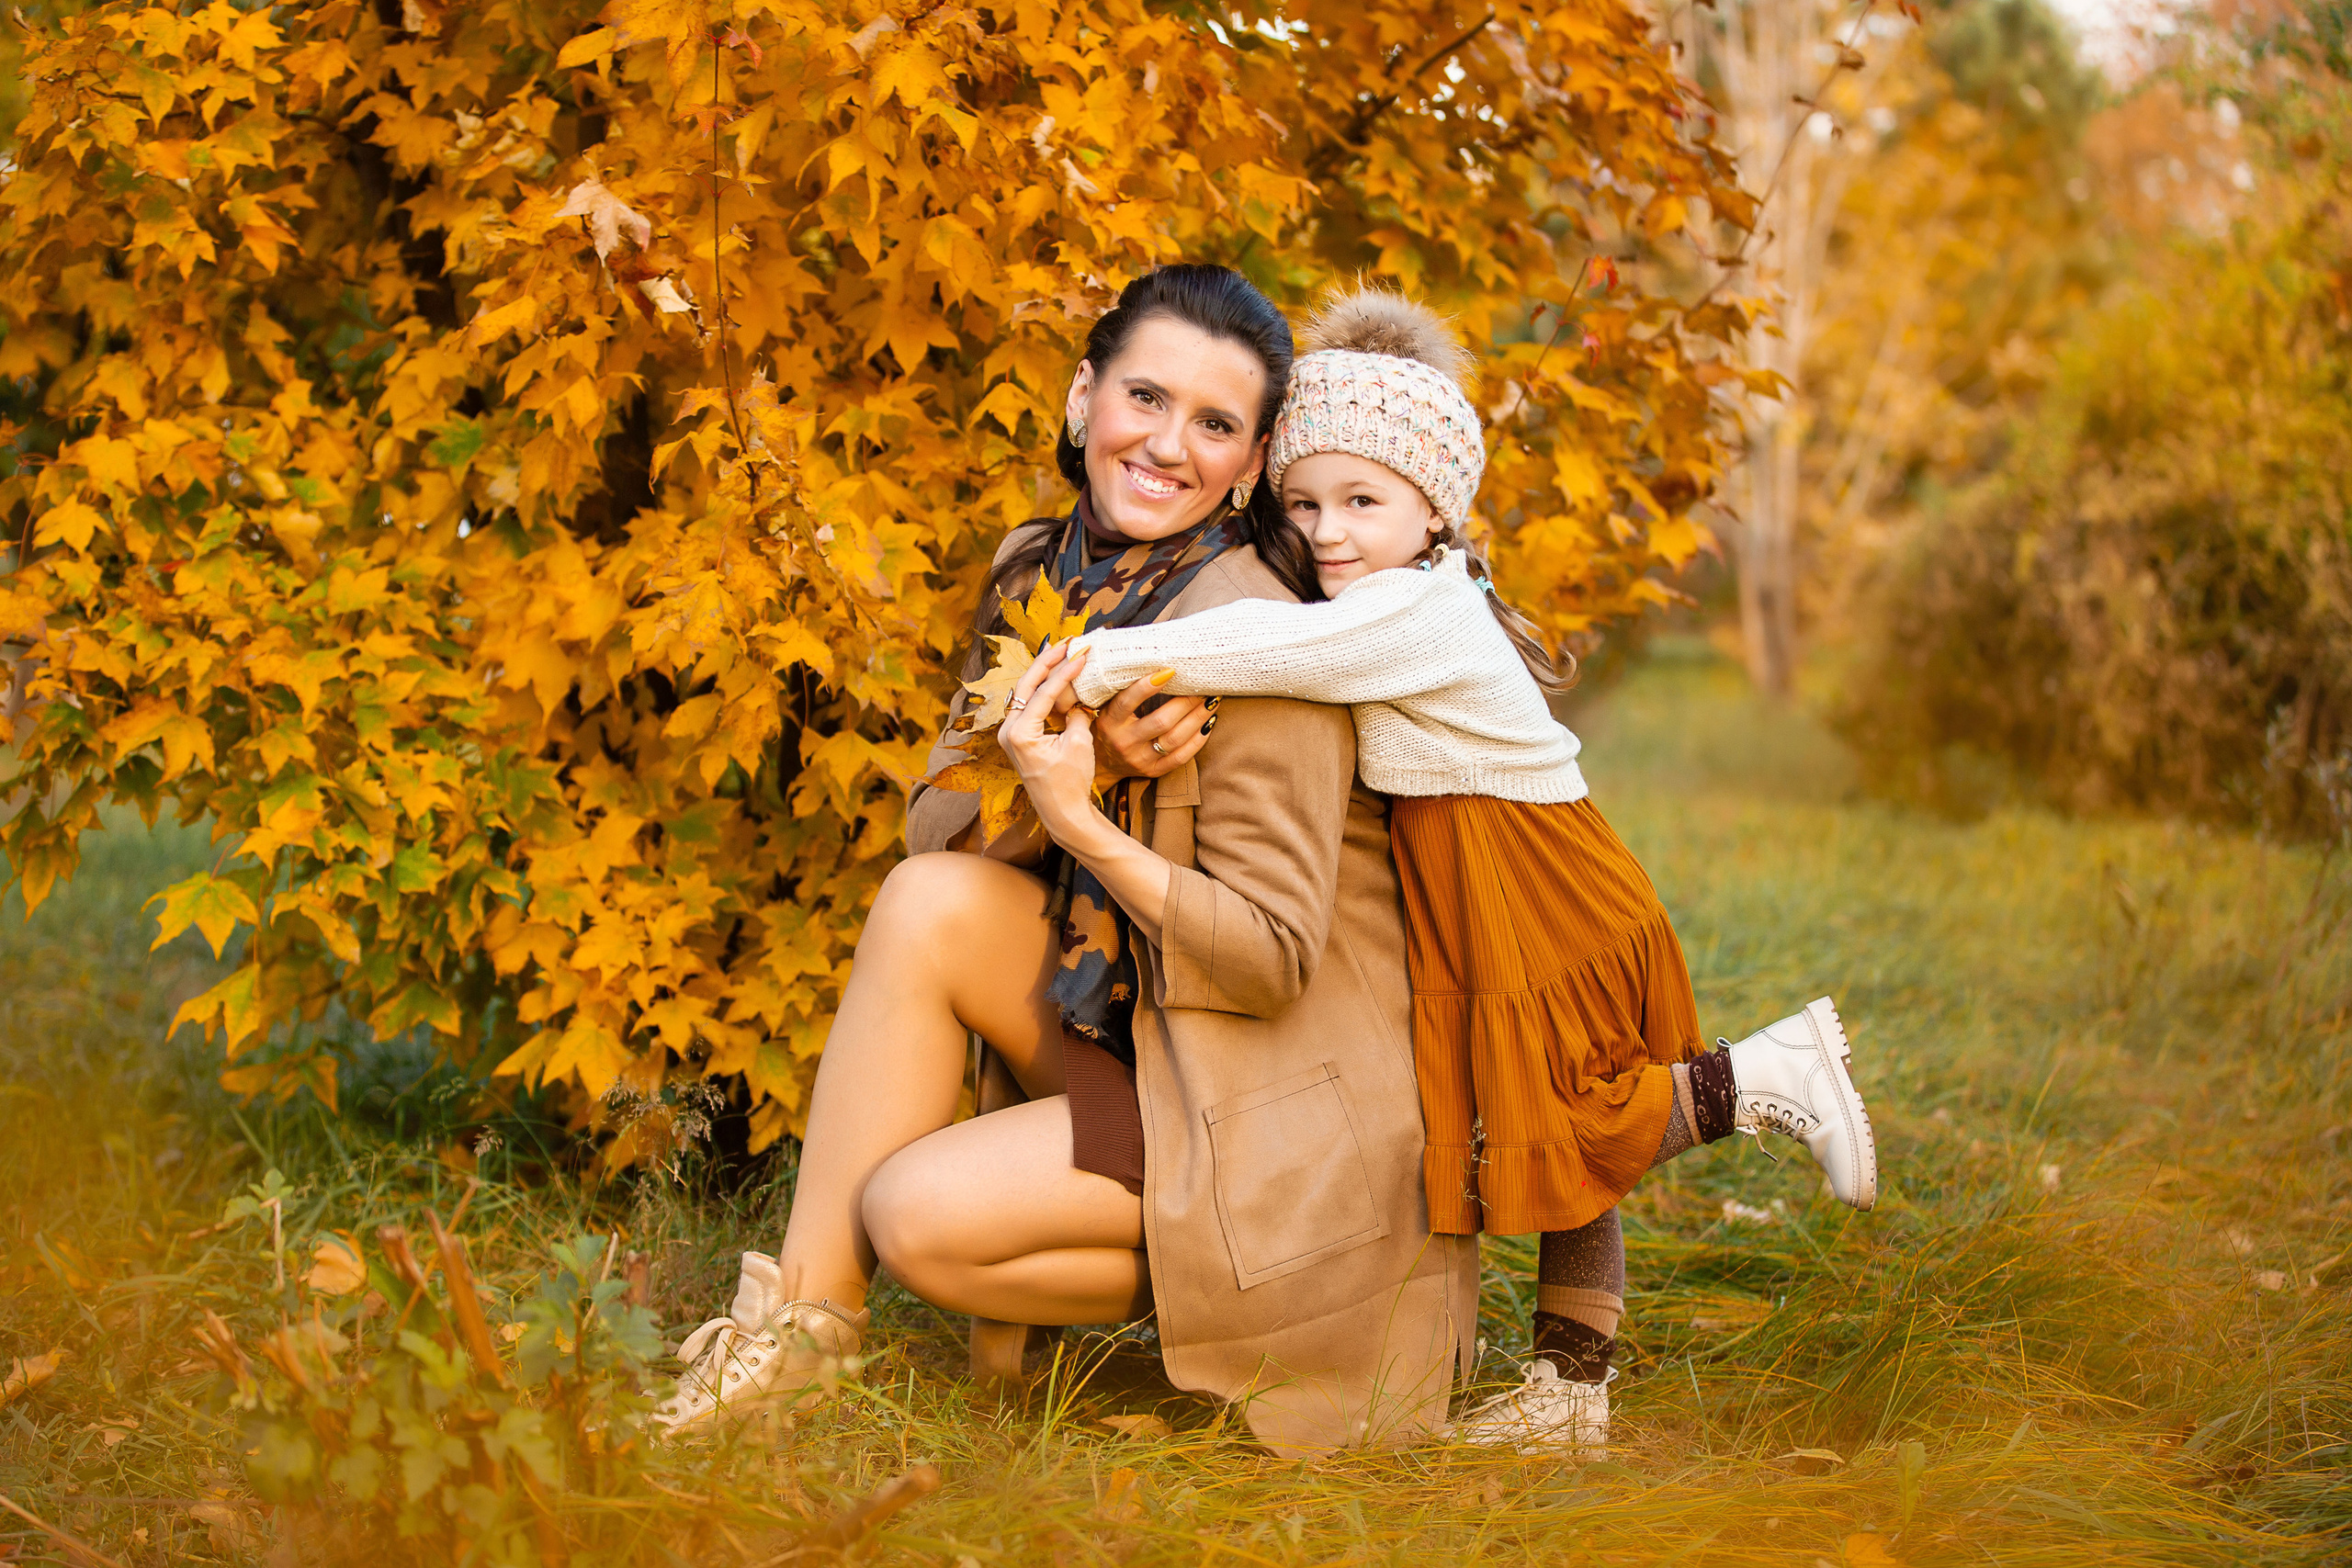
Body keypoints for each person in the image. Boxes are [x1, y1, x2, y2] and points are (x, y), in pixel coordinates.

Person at [1037, 288, 1880, 1455]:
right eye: (1306, 503)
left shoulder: (1414, 609)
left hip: (1535, 883)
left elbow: (1278, 647)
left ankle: (1762, 1076)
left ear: (1433, 509)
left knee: (1556, 1120)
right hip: (1496, 878)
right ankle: (1570, 1393)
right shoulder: (1411, 589)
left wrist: (1101, 655)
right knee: (1538, 1116)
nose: (1327, 532)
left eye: (1362, 503)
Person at [651, 265, 1476, 1455]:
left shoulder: (1258, 639)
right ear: (1086, 397)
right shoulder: (1048, 574)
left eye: (1214, 424)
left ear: (1249, 464)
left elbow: (1271, 962)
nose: (1167, 443)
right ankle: (799, 1334)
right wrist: (1077, 763)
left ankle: (1238, 1292)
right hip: (1150, 1036)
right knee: (930, 898)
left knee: (914, 1211)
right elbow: (934, 826)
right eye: (1145, 395)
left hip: (1276, 1100)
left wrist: (1089, 820)